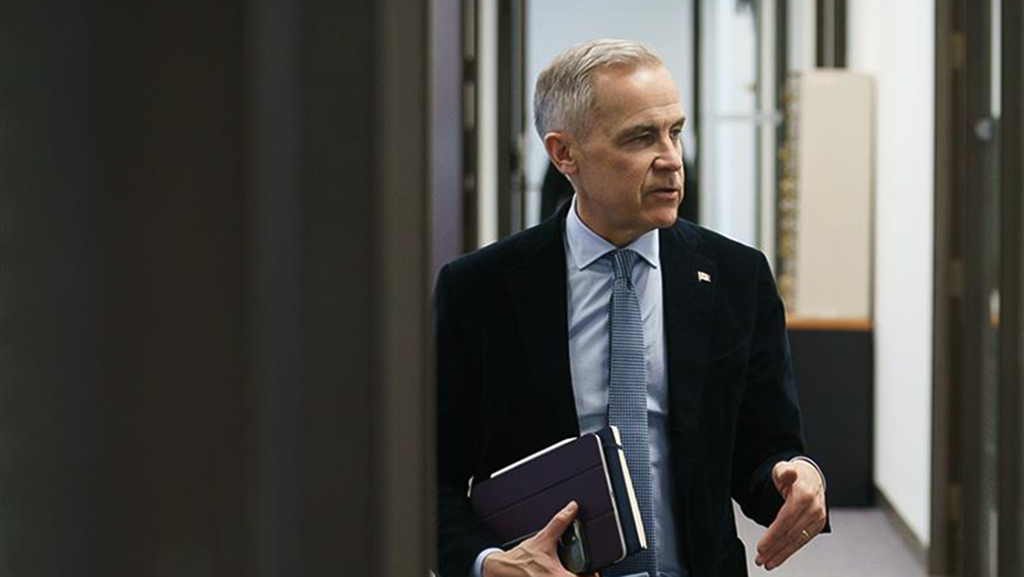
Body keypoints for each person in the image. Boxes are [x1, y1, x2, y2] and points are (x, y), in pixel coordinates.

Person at [435, 39, 829, 577]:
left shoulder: (738, 277)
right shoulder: (478, 290)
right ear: (564, 153)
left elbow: (764, 451)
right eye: (641, 138)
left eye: (676, 131)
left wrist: (799, 476)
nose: (671, 159)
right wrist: (488, 564)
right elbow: (427, 479)